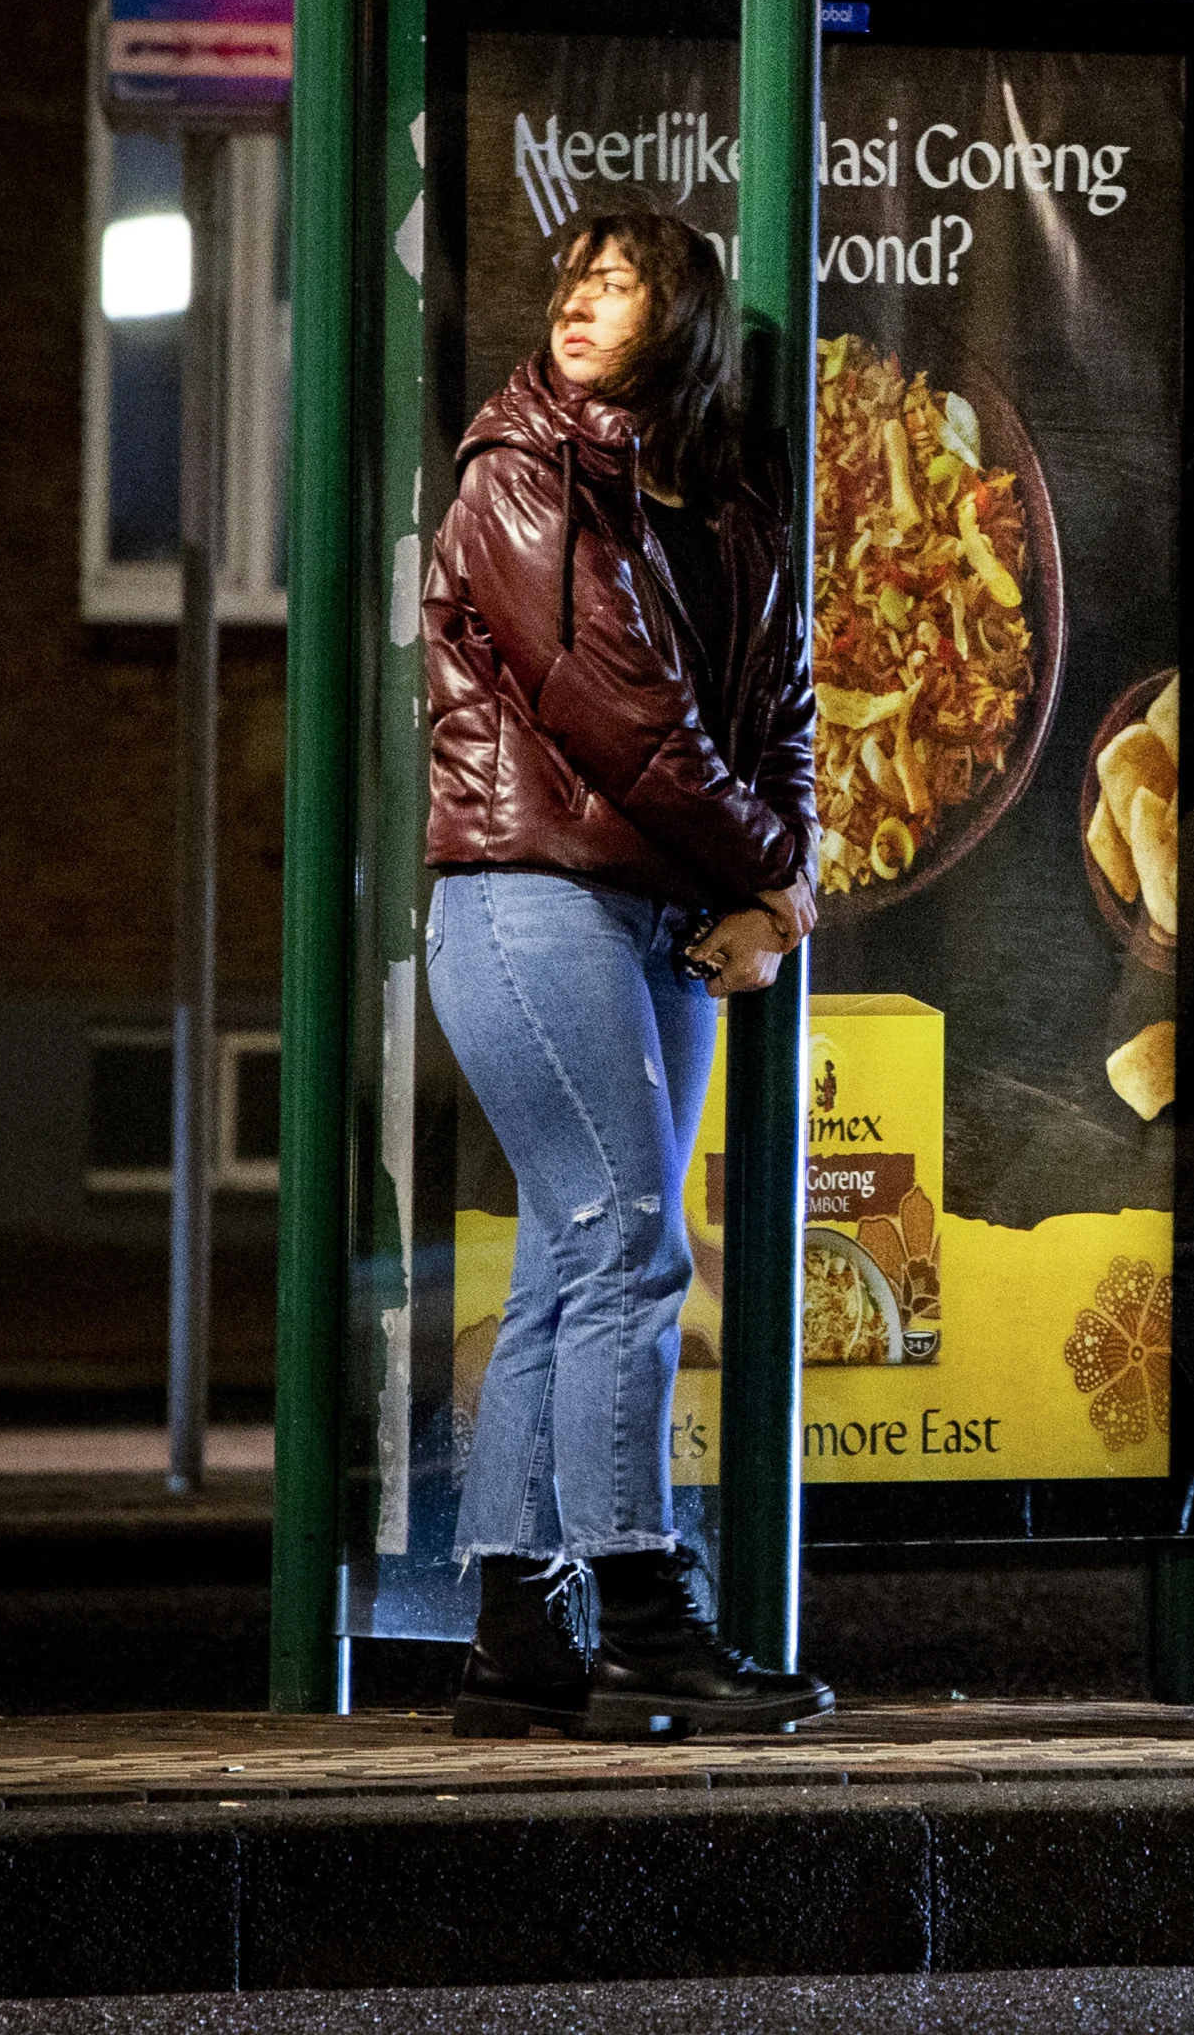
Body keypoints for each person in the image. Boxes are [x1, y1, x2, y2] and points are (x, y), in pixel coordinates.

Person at [422, 207, 835, 1739]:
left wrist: (776, 897)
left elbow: (780, 704)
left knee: (563, 1268)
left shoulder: (728, 494)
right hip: (532, 901)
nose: (583, 303)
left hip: (664, 918)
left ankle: (521, 1636)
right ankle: (649, 1614)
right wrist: (777, 881)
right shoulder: (521, 475)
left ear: (686, 321)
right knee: (631, 1243)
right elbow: (622, 718)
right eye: (575, 281)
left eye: (621, 283)